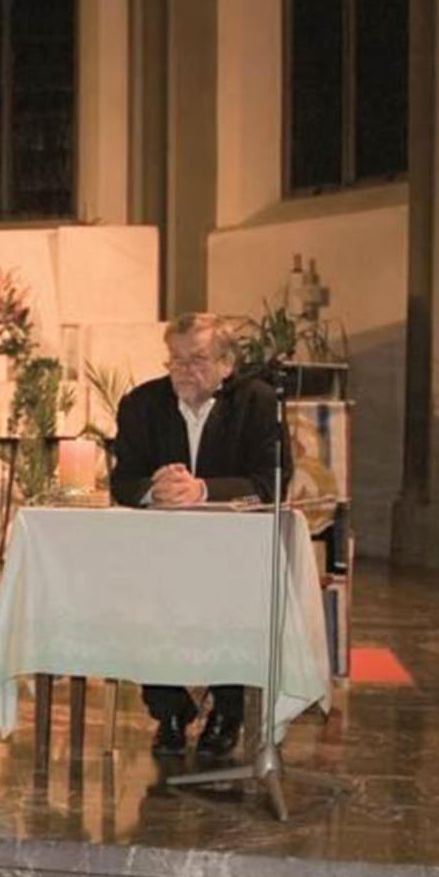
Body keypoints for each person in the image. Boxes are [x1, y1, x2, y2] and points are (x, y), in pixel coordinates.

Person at [110, 312, 290, 758]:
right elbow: (122, 480)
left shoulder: (258, 402)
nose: (185, 370)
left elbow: (271, 482)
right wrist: (155, 490)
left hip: (232, 551)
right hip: (161, 552)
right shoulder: (141, 404)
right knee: (144, 598)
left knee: (237, 603)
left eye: (198, 359)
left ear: (227, 363)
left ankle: (228, 711)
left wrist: (203, 490)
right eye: (176, 359)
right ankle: (168, 710)